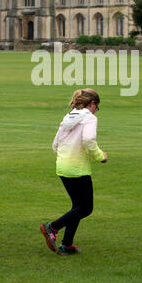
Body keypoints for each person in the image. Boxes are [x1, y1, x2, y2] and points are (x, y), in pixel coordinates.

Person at [40, 88, 108, 256]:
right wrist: (100, 156)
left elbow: (55, 144)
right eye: (96, 106)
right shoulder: (89, 118)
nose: (95, 110)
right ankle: (52, 227)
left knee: (77, 207)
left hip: (62, 166)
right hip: (77, 168)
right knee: (86, 208)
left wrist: (64, 158)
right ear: (92, 103)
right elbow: (88, 140)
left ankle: (67, 245)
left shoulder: (68, 117)